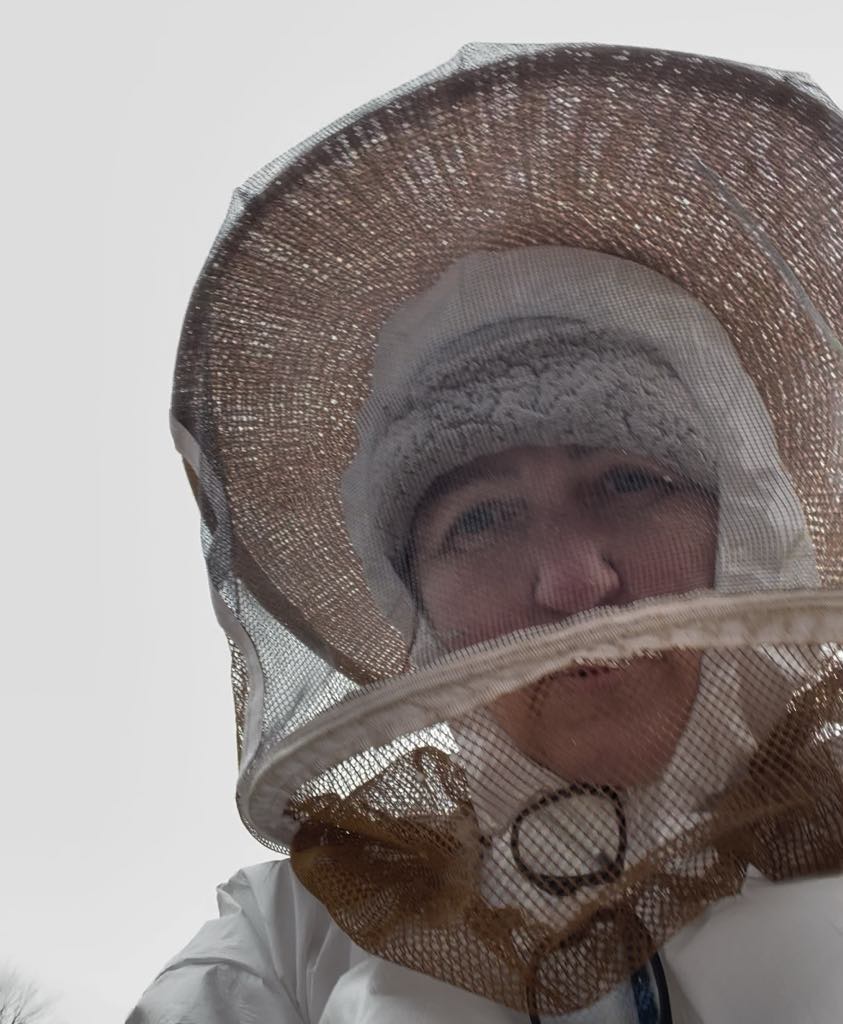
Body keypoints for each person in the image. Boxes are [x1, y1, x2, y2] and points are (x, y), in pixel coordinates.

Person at [129, 44, 843, 1023]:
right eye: (484, 520)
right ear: (414, 602)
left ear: (746, 527)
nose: (571, 579)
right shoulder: (293, 940)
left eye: (630, 480)